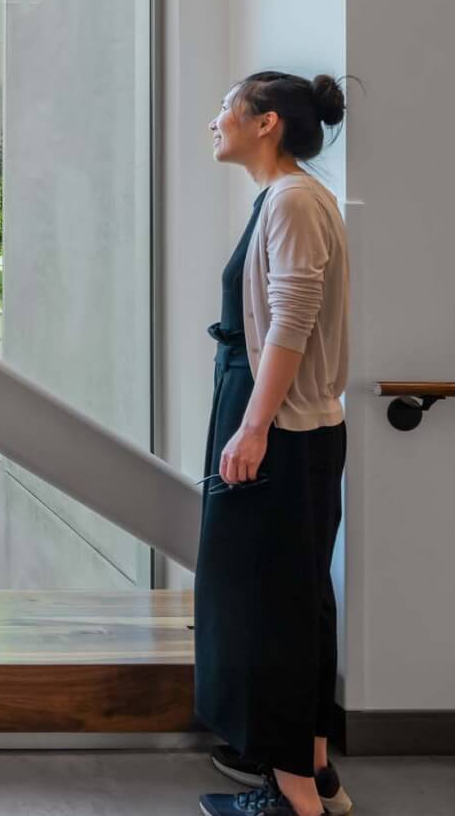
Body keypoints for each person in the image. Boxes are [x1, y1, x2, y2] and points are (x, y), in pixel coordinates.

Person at [196, 72, 353, 816]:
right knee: (296, 601)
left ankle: (292, 796)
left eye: (226, 110)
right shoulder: (289, 199)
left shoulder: (291, 199)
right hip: (292, 423)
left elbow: (292, 318)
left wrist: (254, 425)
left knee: (265, 606)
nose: (214, 122)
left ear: (266, 125)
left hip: (280, 426)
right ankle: (313, 770)